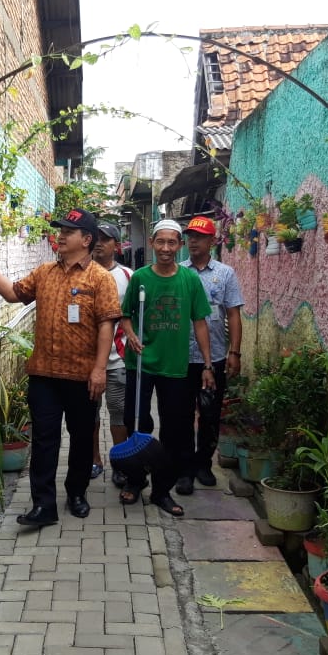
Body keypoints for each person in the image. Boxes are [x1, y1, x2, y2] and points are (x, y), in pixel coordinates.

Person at [0, 207, 120, 526]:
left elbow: (107, 325)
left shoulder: (101, 278)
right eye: (60, 230)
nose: (61, 235)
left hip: (82, 376)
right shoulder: (44, 273)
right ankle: (44, 505)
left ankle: (77, 492)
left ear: (87, 239)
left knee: (82, 438)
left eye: (69, 231)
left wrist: (99, 370)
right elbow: (13, 294)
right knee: (44, 439)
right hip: (44, 375)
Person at [119, 219, 214, 516]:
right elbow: (125, 315)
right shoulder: (140, 278)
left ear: (179, 245)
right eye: (160, 242)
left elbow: (200, 323)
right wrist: (131, 334)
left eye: (172, 242)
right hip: (142, 363)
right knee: (137, 424)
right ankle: (135, 480)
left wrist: (208, 365)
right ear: (152, 242)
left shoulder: (189, 280)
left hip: (175, 366)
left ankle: (162, 491)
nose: (165, 248)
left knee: (174, 430)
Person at [181, 215, 245, 493]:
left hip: (215, 356)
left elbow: (233, 313)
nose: (192, 241)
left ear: (211, 241)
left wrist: (235, 352)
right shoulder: (178, 271)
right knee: (181, 415)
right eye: (190, 236)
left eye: (199, 236)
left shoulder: (225, 273)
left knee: (209, 413)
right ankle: (183, 469)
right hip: (181, 357)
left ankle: (203, 464)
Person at [90, 223, 132, 484]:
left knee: (118, 412)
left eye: (106, 240)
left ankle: (120, 462)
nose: (99, 243)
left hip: (118, 360)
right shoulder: (83, 273)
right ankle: (94, 460)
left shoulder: (129, 276)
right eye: (96, 238)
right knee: (89, 415)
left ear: (116, 246)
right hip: (87, 360)